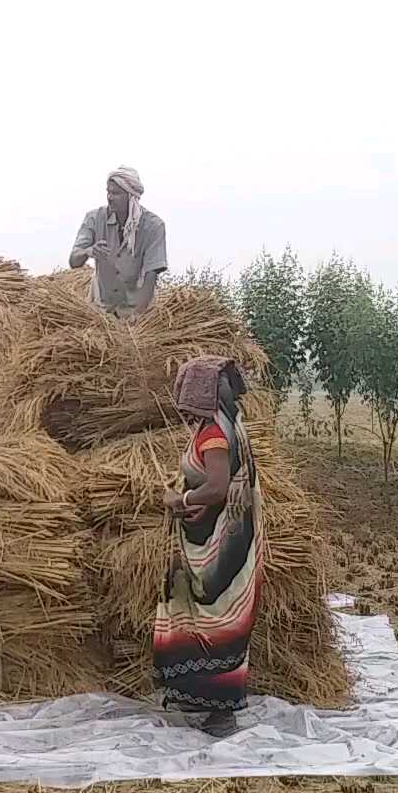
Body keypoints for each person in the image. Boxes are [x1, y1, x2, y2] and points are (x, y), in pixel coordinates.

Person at [153, 355, 261, 737]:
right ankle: (199, 698)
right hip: (218, 539)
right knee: (203, 620)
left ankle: (221, 712)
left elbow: (217, 487)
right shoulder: (227, 426)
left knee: (216, 623)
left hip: (220, 551)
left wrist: (178, 501)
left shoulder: (214, 432)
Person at [69, 166, 167, 319]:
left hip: (134, 308)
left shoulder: (153, 227)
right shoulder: (94, 219)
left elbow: (151, 274)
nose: (109, 197)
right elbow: (74, 261)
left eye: (116, 193)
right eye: (108, 192)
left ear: (131, 196)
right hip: (100, 308)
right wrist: (89, 251)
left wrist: (138, 316)